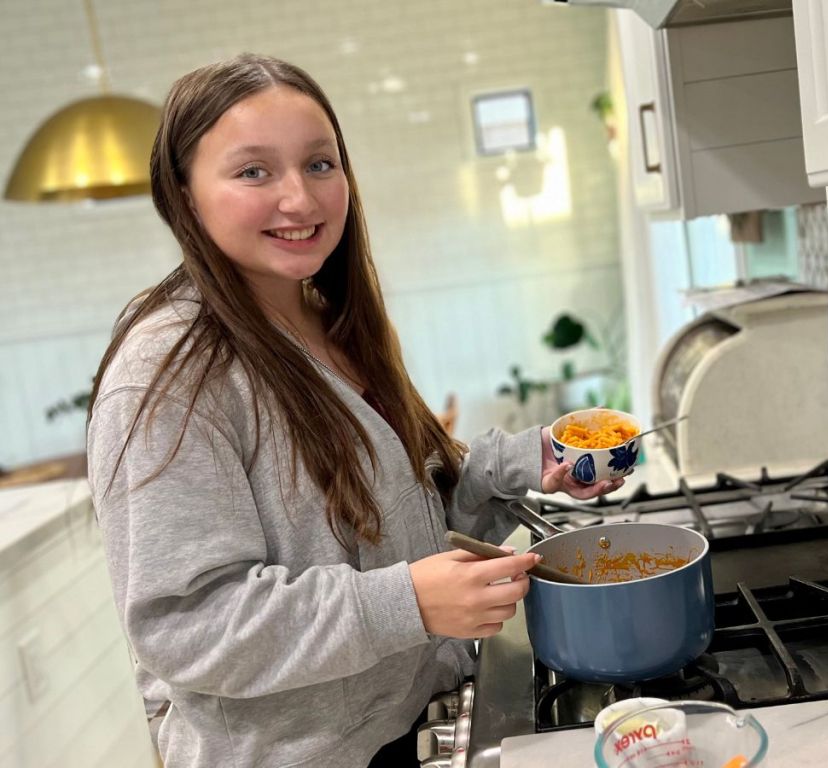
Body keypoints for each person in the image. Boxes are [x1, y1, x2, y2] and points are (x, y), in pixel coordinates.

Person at [86, 53, 625, 768]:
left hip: (403, 727)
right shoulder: (170, 375)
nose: (301, 200)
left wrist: (526, 462)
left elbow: (399, 525)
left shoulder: (327, 319)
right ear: (183, 195)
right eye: (254, 172)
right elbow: (190, 624)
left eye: (319, 164)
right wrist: (406, 604)